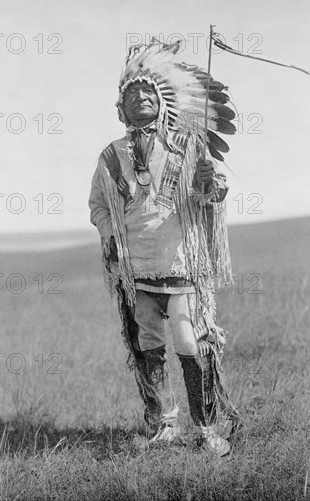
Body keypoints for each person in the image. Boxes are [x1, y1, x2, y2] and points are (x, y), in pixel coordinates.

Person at [88, 39, 239, 456]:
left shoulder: (188, 144)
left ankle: (206, 427)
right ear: (121, 108)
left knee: (190, 341)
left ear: (161, 101)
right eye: (131, 95)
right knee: (148, 343)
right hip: (136, 270)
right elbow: (98, 206)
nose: (140, 100)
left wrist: (210, 180)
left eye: (146, 93)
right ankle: (164, 424)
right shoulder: (110, 155)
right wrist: (110, 235)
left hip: (181, 261)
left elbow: (212, 195)